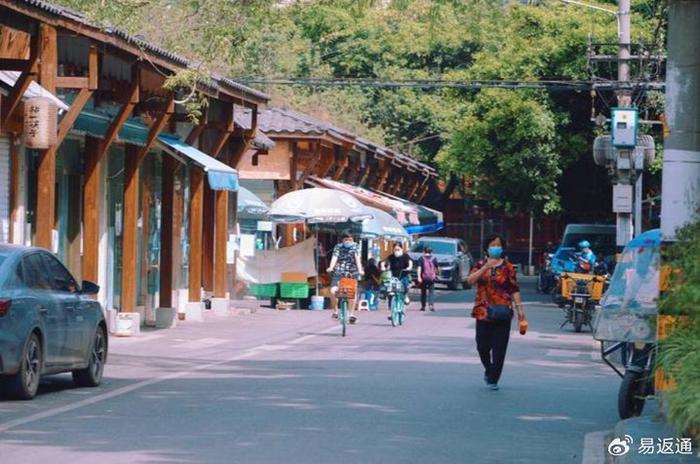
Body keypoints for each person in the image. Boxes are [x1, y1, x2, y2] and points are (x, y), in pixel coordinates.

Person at [467, 234, 526, 391]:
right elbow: (470, 281)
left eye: (498, 245)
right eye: (492, 245)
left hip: (502, 311)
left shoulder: (507, 267)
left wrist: (520, 310)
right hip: (483, 312)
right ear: (487, 248)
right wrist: (486, 267)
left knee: (499, 349)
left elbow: (514, 289)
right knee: (482, 347)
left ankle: (493, 378)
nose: (495, 247)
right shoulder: (480, 264)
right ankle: (489, 368)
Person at [326, 232, 364, 323]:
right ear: (342, 240)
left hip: (352, 272)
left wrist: (360, 270)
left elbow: (357, 259)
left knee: (352, 293)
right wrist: (331, 267)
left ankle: (351, 314)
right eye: (346, 239)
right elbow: (334, 257)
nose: (348, 241)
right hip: (339, 271)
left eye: (350, 239)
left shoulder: (356, 246)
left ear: (353, 239)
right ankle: (335, 311)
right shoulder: (338, 247)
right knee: (333, 291)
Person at [381, 242, 413, 310]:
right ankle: (391, 309)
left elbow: (410, 262)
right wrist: (383, 266)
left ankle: (405, 295)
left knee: (405, 284)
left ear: (401, 249)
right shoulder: (391, 256)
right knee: (390, 290)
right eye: (395, 249)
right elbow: (384, 261)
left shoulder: (405, 256)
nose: (396, 251)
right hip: (394, 276)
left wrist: (409, 267)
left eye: (398, 249)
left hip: (403, 275)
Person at [416, 246, 438, 312]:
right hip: (431, 278)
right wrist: (436, 275)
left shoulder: (421, 258)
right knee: (431, 292)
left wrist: (418, 277)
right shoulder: (434, 258)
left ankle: (423, 306)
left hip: (424, 278)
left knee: (423, 292)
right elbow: (436, 268)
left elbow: (419, 268)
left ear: (424, 251)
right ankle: (431, 305)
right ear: (431, 251)